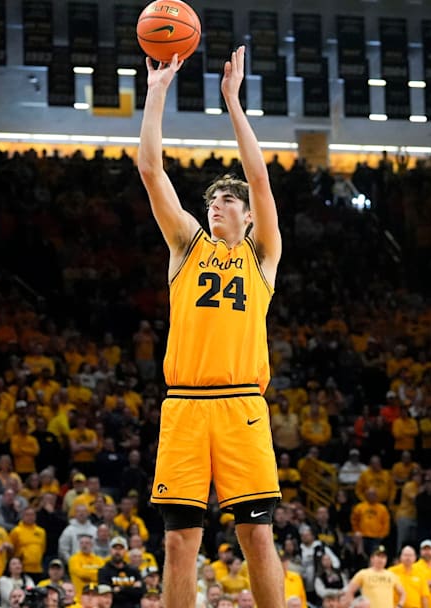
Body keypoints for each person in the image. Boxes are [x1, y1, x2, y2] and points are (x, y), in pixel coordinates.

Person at [140, 44, 284, 608]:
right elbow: (151, 171)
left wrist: (232, 101)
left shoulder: (262, 255)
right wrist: (156, 94)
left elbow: (261, 179)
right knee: (179, 544)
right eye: (214, 200)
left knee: (257, 535)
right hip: (185, 407)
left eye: (228, 200)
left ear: (247, 215)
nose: (217, 204)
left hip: (241, 405)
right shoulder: (185, 246)